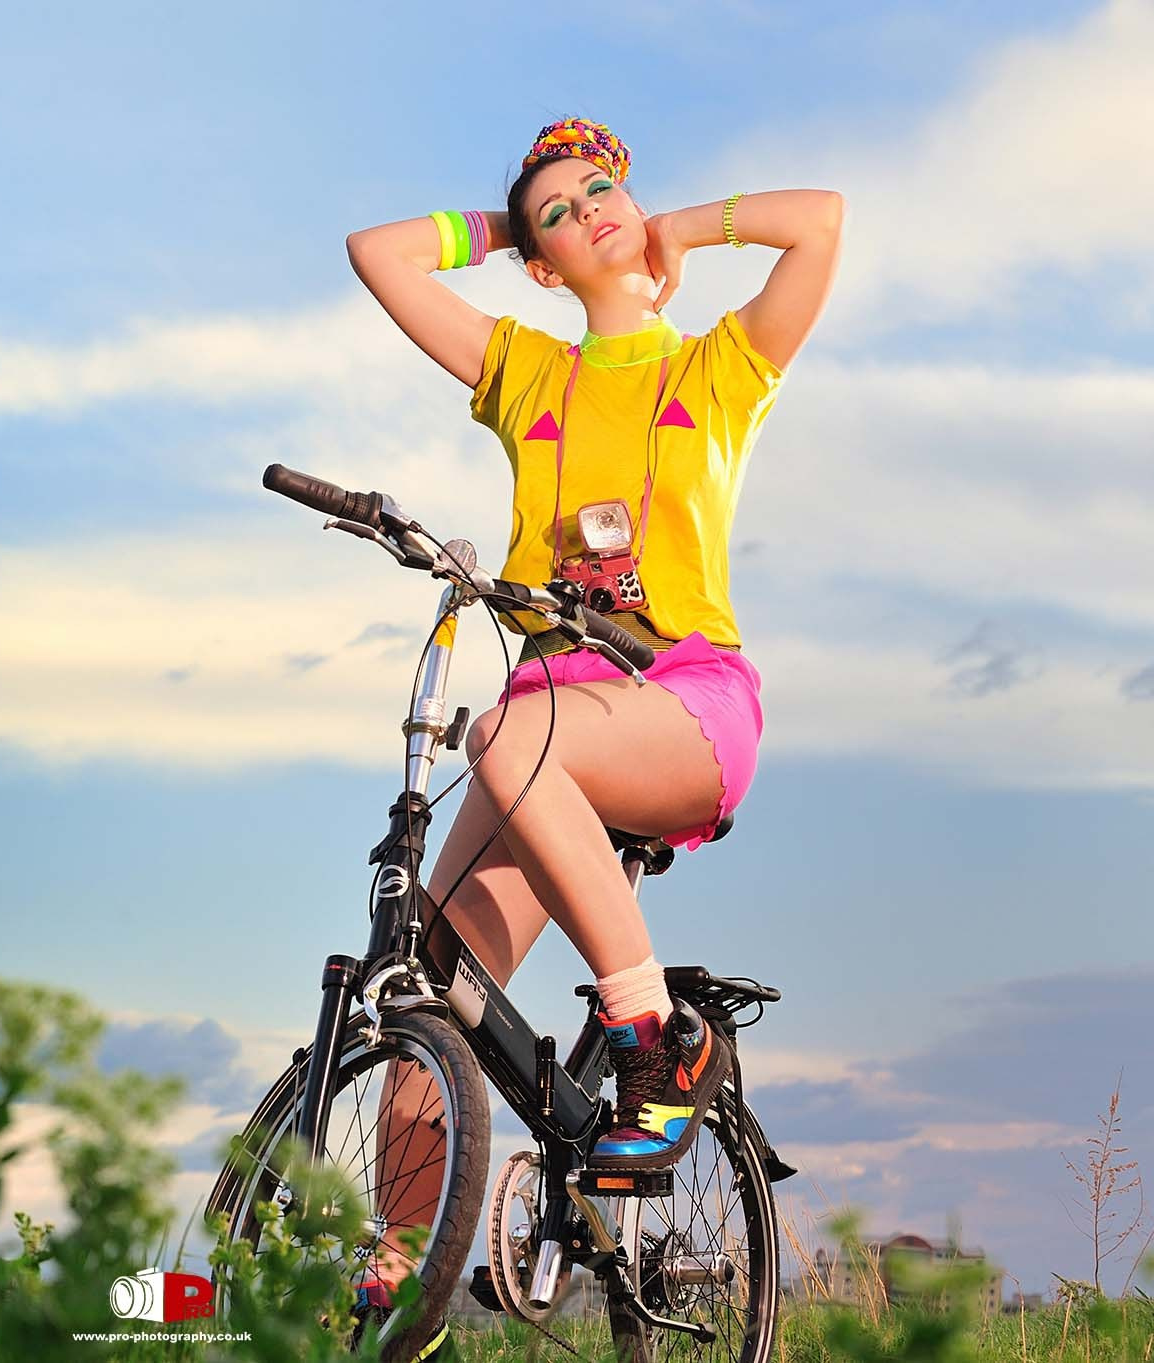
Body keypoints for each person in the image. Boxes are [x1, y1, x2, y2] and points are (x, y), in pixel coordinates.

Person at [343, 118, 844, 1300]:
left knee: (502, 735)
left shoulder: (714, 370)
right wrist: (511, 222)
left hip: (679, 701)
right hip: (548, 724)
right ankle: (393, 1265)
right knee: (426, 975)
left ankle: (655, 1035)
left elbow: (816, 221)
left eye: (602, 190)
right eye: (557, 213)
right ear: (538, 262)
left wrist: (678, 227)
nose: (588, 212)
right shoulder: (528, 373)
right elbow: (378, 252)